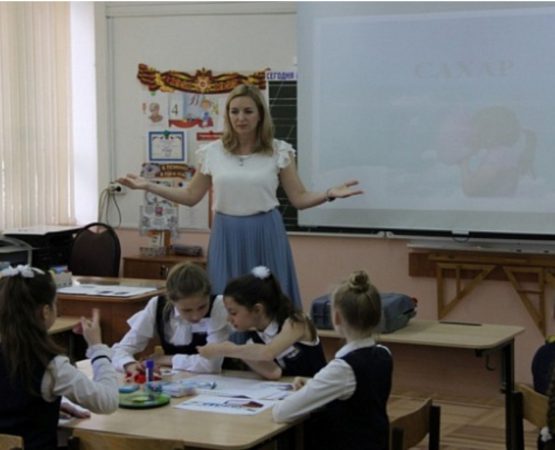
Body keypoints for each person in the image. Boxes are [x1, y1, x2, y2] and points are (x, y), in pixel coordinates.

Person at [118, 83, 363, 308]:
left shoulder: (279, 150)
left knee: (269, 302)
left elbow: (299, 198)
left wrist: (329, 194)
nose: (240, 118)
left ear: (260, 115)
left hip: (266, 232)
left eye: (248, 111)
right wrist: (149, 185)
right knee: (227, 302)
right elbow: (191, 195)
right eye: (234, 112)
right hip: (227, 234)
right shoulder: (212, 152)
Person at [0, 265, 118, 450]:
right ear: (45, 311)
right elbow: (108, 401)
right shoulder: (49, 364)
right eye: (56, 303)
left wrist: (49, 405)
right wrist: (97, 348)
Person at [272, 270, 393, 450]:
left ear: (336, 317)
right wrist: (314, 383)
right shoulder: (384, 353)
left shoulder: (344, 368)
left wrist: (316, 386)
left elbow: (281, 412)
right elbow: (358, 389)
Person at [196, 266, 326, 380]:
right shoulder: (253, 341)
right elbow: (274, 373)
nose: (228, 319)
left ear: (257, 309)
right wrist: (238, 352)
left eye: (233, 313)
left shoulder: (296, 321)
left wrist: (226, 349)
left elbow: (268, 353)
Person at [112, 262, 230, 376]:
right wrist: (129, 364)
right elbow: (121, 349)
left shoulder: (218, 305)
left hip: (223, 379)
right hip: (174, 379)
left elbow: (211, 365)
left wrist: (165, 359)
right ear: (172, 301)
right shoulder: (157, 305)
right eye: (187, 310)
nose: (196, 316)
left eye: (202, 307)